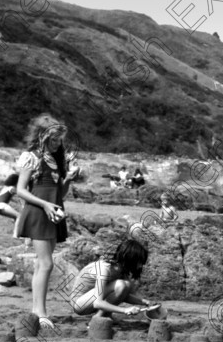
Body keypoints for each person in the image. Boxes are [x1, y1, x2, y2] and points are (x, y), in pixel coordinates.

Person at [14, 114, 78, 329]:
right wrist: (45, 205)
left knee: (44, 264)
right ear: (41, 137)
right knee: (47, 263)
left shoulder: (56, 159)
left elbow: (60, 192)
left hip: (53, 212)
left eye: (59, 140)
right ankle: (40, 313)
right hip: (39, 212)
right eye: (53, 139)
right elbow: (20, 190)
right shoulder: (31, 157)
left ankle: (37, 311)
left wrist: (68, 179)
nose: (57, 143)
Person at [70, 238, 158, 317]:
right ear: (130, 259)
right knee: (122, 284)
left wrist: (145, 302)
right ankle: (98, 318)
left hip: (91, 300)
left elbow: (122, 295)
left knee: (125, 285)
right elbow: (98, 303)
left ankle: (104, 317)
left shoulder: (121, 271)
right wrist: (125, 310)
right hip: (80, 304)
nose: (140, 267)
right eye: (139, 262)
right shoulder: (104, 269)